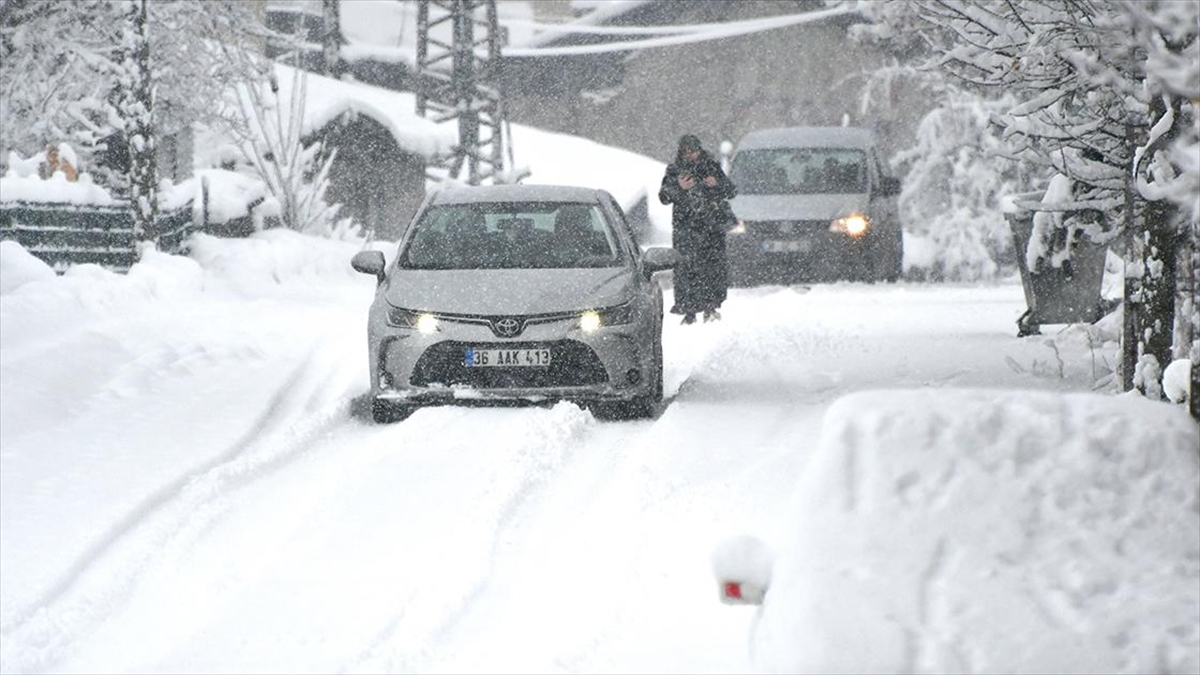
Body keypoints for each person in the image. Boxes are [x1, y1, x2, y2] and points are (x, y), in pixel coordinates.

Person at [658, 134, 737, 324]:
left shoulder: (711, 166)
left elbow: (730, 191)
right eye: (687, 152)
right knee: (687, 269)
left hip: (711, 228)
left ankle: (710, 307)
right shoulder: (674, 170)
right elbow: (664, 197)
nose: (690, 155)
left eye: (693, 151)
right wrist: (679, 187)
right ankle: (689, 310)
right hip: (686, 229)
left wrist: (716, 184)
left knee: (711, 269)